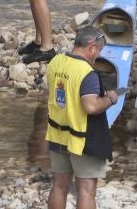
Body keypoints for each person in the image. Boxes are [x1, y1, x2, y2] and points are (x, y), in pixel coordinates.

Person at [45, 24, 119, 209]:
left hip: (57, 135)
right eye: (99, 50)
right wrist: (110, 99)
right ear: (91, 46)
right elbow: (91, 106)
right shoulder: (87, 73)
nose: (99, 55)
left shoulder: (56, 62)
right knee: (86, 189)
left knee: (59, 186)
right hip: (81, 138)